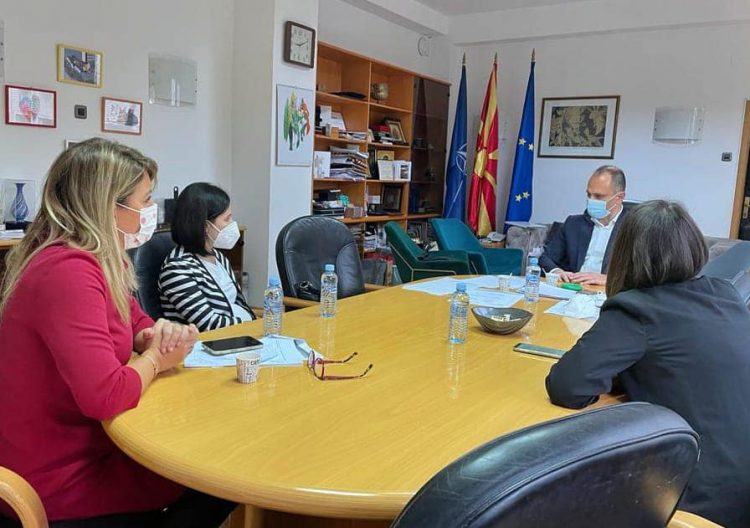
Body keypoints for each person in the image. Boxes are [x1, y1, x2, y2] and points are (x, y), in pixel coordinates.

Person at [0, 138, 235, 527]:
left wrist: (156, 334)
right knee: (220, 473)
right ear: (109, 206)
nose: (150, 211)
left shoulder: (95, 258)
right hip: (57, 478)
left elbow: (135, 321)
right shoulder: (68, 272)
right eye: (145, 200)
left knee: (214, 458)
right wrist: (156, 359)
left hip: (86, 446)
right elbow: (106, 396)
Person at [545, 200, 750, 527]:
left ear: (625, 254)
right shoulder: (724, 293)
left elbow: (567, 386)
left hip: (700, 499)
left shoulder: (637, 309)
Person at [159, 183, 255, 331]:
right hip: (208, 341)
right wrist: (251, 325)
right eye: (227, 219)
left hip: (238, 333)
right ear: (205, 226)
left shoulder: (218, 256)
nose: (232, 224)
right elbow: (208, 325)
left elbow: (237, 303)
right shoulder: (177, 268)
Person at [539, 165, 627, 286]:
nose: (591, 200)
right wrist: (557, 271)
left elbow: (647, 276)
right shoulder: (573, 224)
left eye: (598, 196)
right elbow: (546, 258)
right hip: (573, 288)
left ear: (619, 198)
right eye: (589, 195)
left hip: (609, 291)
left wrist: (609, 279)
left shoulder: (636, 228)